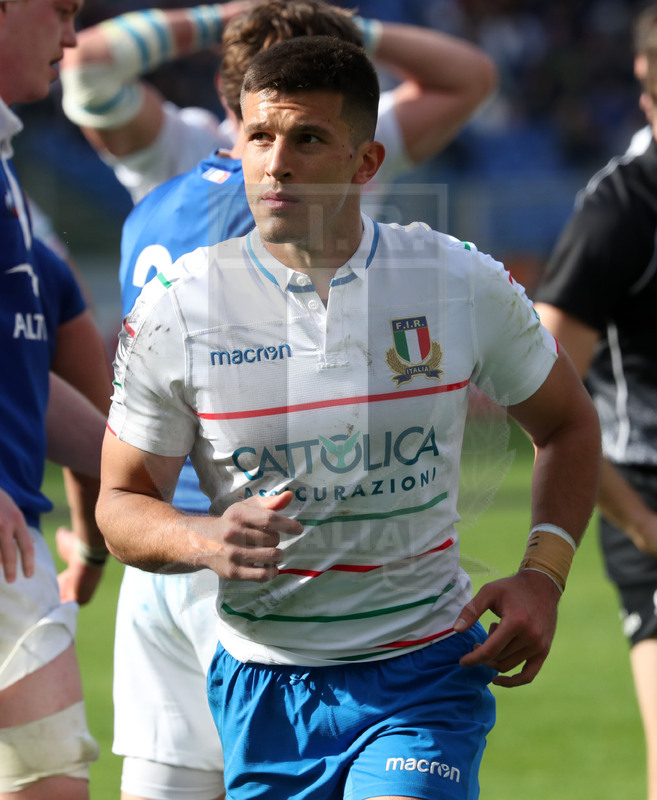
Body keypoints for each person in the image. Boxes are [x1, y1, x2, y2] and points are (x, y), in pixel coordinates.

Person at [97, 36, 601, 800]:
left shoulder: (455, 280)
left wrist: (542, 576)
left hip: (425, 670)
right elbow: (120, 503)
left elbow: (566, 425)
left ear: (365, 163)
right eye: (259, 137)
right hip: (264, 684)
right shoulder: (179, 306)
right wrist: (199, 537)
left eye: (307, 138)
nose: (275, 163)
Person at [534, 11, 657, 799]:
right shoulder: (619, 210)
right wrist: (640, 525)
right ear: (648, 92)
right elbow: (544, 391)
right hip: (648, 487)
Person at [0, 0, 114, 796]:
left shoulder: (5, 161)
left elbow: (26, 380)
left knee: (51, 775)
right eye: (60, 10)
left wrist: (142, 484)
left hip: (18, 543)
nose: (71, 38)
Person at [59, 0, 497, 205]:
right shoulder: (350, 144)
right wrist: (337, 29)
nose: (280, 166)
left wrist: (224, 20)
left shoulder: (179, 153)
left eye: (308, 138)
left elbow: (86, 67)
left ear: (221, 83)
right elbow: (472, 77)